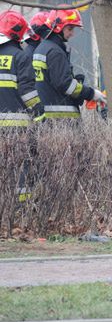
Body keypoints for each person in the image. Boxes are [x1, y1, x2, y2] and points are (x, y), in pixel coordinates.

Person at [0, 10, 45, 202]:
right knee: (23, 166)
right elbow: (27, 92)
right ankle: (21, 207)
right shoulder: (20, 56)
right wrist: (40, 114)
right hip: (17, 126)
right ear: (18, 33)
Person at [33, 9, 105, 120]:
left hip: (50, 118)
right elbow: (65, 85)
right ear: (58, 27)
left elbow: (52, 81)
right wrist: (91, 94)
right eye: (70, 29)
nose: (72, 33)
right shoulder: (55, 52)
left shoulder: (42, 48)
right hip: (61, 119)